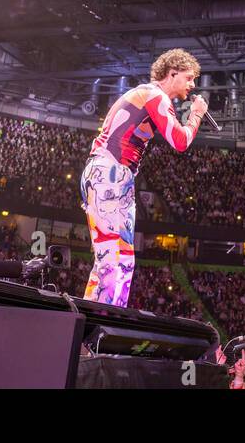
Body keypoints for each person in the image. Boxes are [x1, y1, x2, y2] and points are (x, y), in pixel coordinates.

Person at [80, 49, 208, 307]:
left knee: (124, 259)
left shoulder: (153, 97)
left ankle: (112, 319)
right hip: (109, 172)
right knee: (111, 257)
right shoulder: (154, 95)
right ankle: (92, 328)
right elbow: (180, 141)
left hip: (117, 176)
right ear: (172, 74)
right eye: (189, 78)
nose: (193, 85)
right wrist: (196, 114)